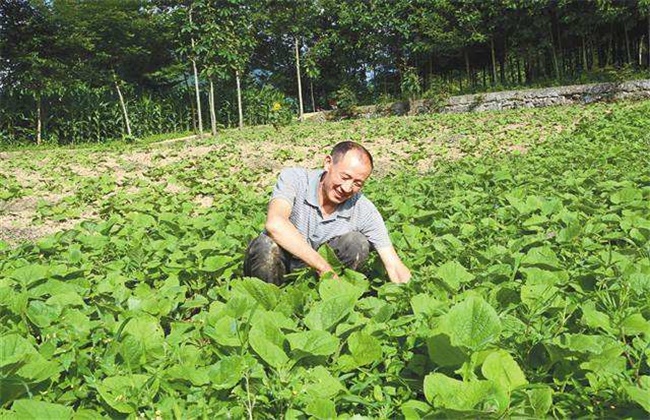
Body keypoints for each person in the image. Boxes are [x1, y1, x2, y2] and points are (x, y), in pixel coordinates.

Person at [243, 141, 411, 285]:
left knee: (357, 243)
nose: (347, 188)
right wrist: (323, 267)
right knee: (264, 245)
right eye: (345, 177)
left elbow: (393, 264)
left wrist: (410, 293)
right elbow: (275, 224)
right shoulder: (294, 179)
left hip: (322, 280)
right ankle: (268, 307)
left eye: (357, 183)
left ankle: (335, 298)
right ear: (328, 163)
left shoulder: (363, 209)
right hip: (281, 265)